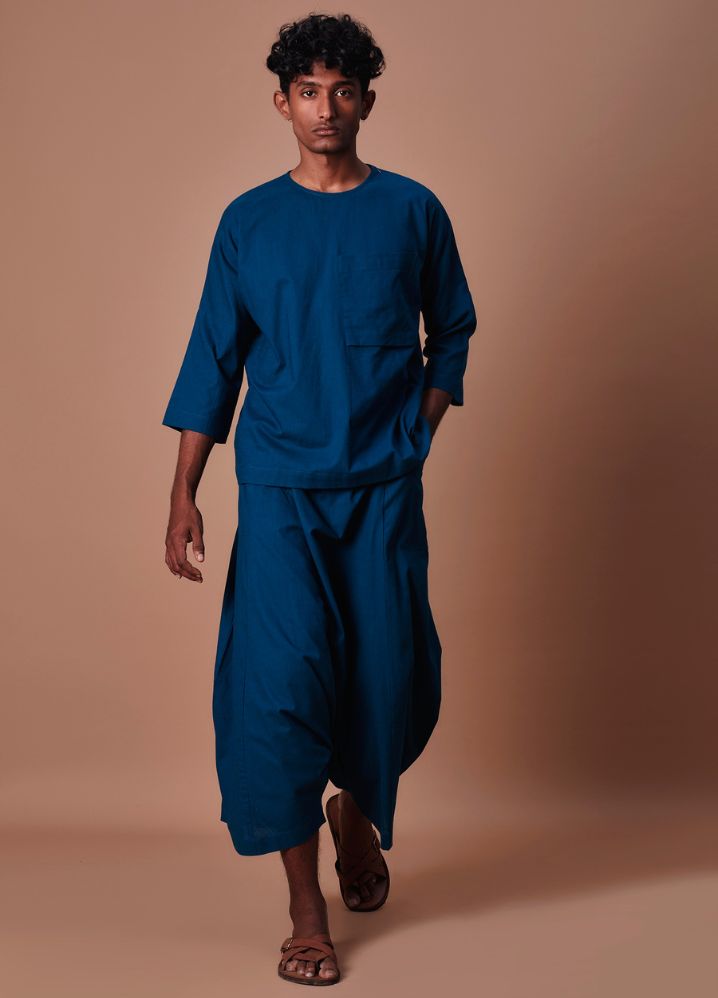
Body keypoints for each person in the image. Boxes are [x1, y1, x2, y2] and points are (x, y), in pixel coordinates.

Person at [161, 12, 477, 987]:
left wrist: (416, 435)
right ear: (282, 103)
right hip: (281, 495)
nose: (325, 107)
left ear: (367, 100)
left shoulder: (413, 211)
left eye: (343, 90)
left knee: (388, 681)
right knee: (280, 689)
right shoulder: (248, 222)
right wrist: (182, 492)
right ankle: (307, 909)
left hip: (381, 493)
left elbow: (452, 331)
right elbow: (213, 358)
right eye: (308, 91)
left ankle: (358, 815)